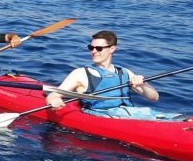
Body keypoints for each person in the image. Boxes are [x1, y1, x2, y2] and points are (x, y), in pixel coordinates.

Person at [45, 30, 182, 120]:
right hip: (102, 116)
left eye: (98, 48)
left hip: (129, 114)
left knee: (174, 117)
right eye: (91, 48)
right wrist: (53, 101)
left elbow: (153, 98)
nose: (94, 51)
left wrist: (143, 83)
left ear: (112, 49)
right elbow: (53, 94)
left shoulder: (125, 72)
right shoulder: (81, 74)